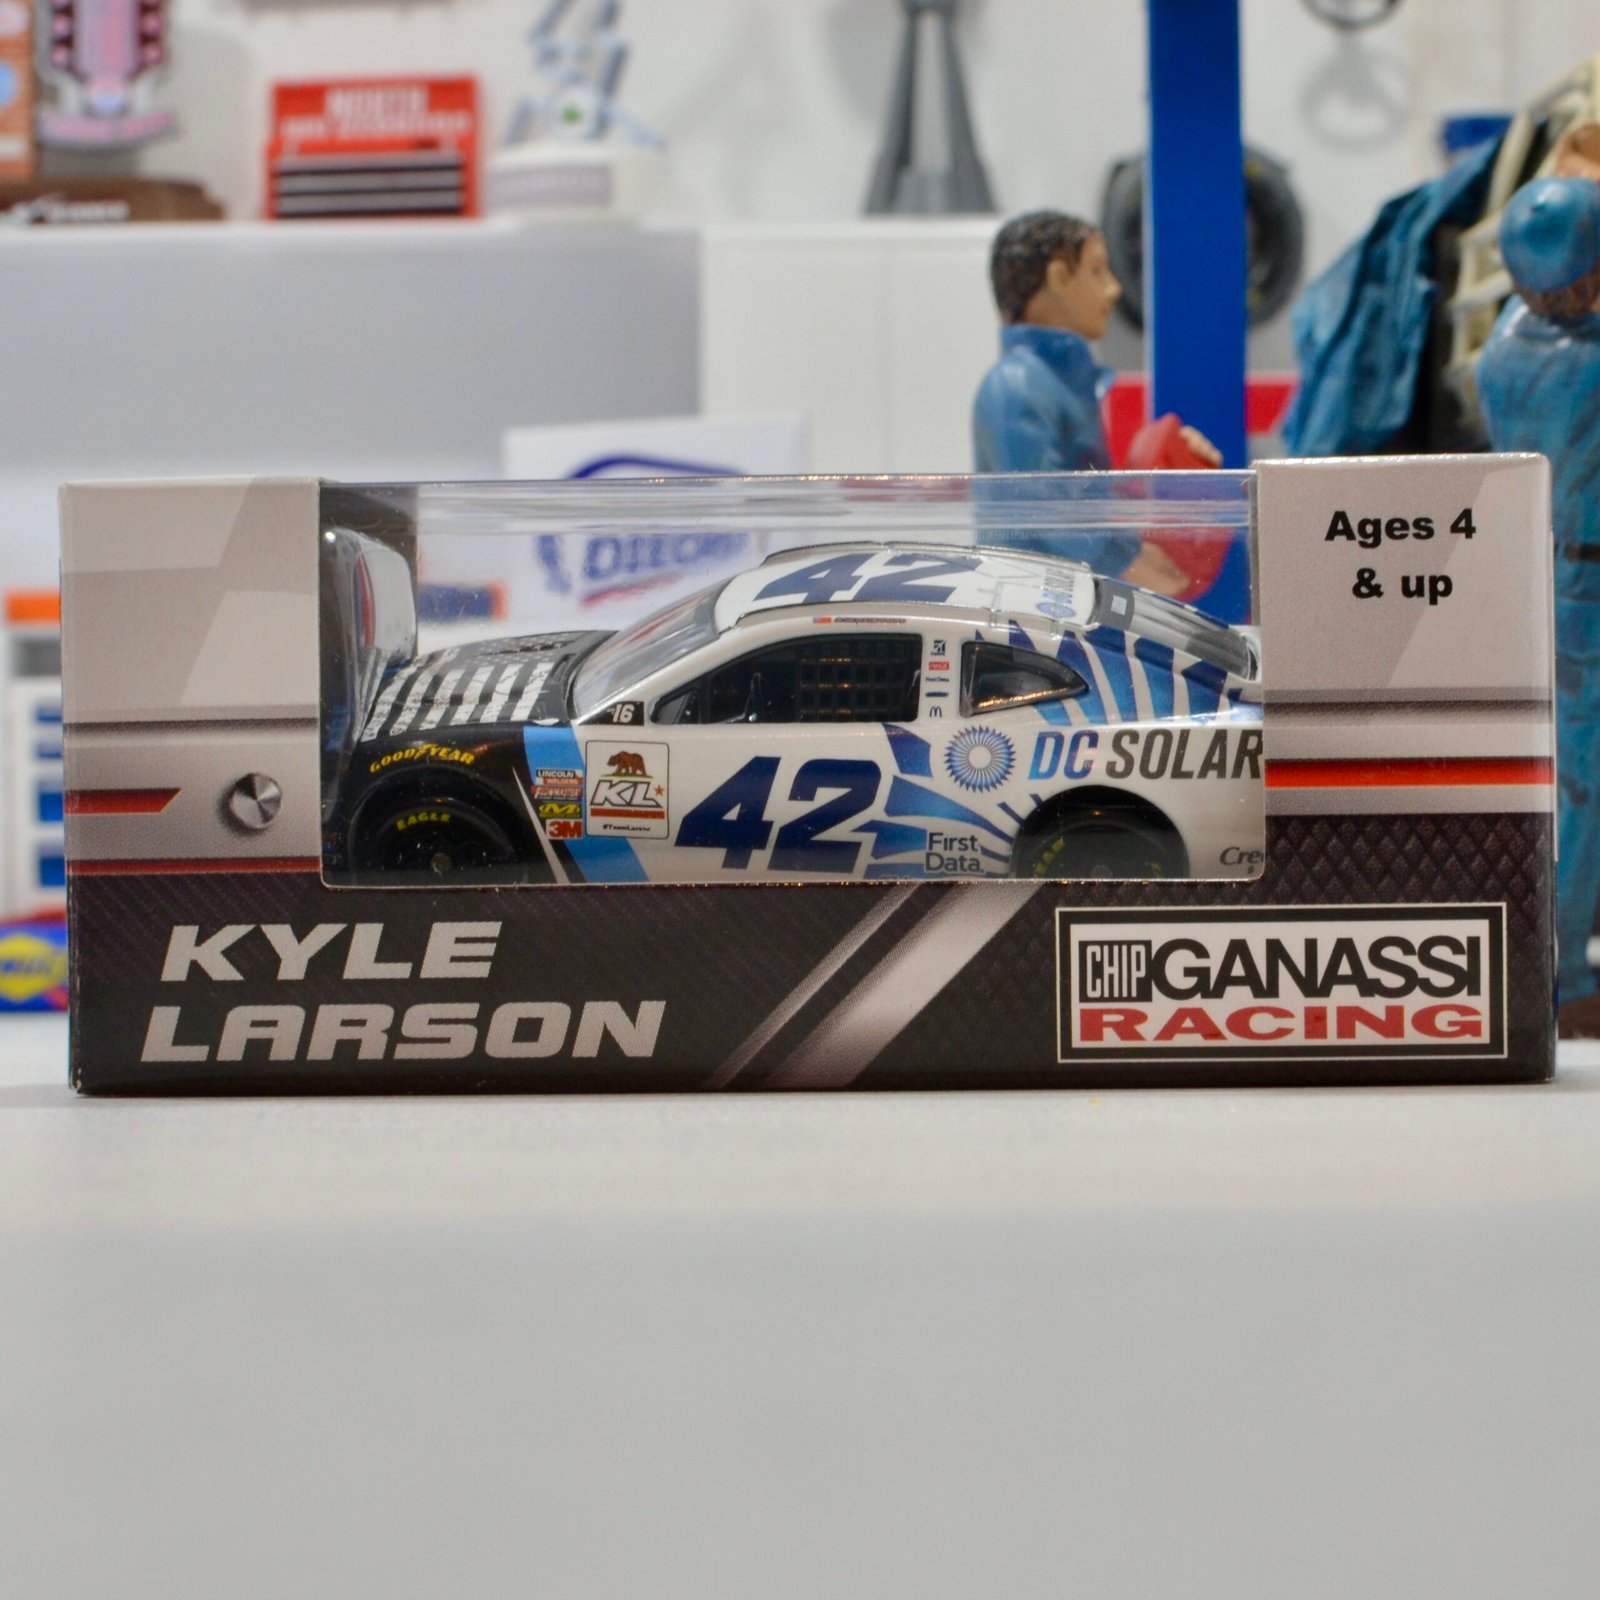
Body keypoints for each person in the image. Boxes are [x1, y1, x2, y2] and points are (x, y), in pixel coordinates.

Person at [1476, 176, 1600, 1029]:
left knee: (1561, 778)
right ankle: (1569, 977)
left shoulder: (1500, 347)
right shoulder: (1587, 364)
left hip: (1534, 579)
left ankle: (1553, 959)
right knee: (1582, 786)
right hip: (1586, 588)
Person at [972, 210, 1219, 595]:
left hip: (1065, 600)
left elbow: (1085, 499)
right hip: (1030, 603)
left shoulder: (1058, 384)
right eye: (1097, 271)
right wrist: (1128, 559)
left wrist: (1176, 475)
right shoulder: (1017, 385)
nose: (1114, 289)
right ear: (1059, 278)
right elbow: (1041, 508)